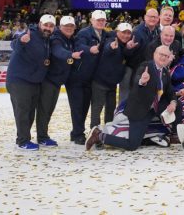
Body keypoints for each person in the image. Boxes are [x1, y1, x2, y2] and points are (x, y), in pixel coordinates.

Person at [86, 46, 178, 151]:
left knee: (178, 106)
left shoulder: (165, 72)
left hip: (152, 109)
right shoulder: (146, 66)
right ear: (154, 54)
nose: (163, 58)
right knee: (132, 145)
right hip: (139, 111)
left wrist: (173, 102)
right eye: (161, 54)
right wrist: (142, 81)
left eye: (166, 56)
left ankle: (171, 134)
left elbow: (170, 91)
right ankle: (99, 136)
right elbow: (137, 79)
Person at [7, 14, 55, 150]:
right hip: (19, 80)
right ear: (40, 24)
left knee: (30, 113)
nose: (48, 28)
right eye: (46, 25)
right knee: (22, 111)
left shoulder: (47, 39)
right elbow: (15, 44)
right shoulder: (30, 34)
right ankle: (22, 141)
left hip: (34, 81)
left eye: (51, 26)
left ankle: (25, 138)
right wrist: (21, 41)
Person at [66, 10, 110, 145]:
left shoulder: (106, 35)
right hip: (78, 76)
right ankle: (78, 134)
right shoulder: (84, 33)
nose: (101, 22)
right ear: (91, 21)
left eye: (103, 20)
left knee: (84, 106)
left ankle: (76, 133)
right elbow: (78, 46)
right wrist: (89, 49)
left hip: (91, 78)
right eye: (98, 20)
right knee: (78, 106)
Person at [37, 16, 82, 147]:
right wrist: (71, 55)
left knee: (49, 109)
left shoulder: (71, 39)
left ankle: (42, 136)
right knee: (45, 109)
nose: (68, 28)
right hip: (49, 80)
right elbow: (58, 51)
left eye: (71, 26)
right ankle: (42, 137)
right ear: (60, 27)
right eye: (66, 26)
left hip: (57, 81)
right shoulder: (56, 38)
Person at [90, 23, 135, 130]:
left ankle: (107, 133)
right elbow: (107, 48)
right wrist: (111, 47)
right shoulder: (111, 41)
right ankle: (94, 134)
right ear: (117, 32)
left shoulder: (125, 45)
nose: (126, 35)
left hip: (112, 85)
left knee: (110, 111)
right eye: (123, 32)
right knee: (97, 110)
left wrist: (128, 49)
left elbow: (125, 55)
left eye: (128, 33)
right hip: (100, 83)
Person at [121, 8, 160, 102]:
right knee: (126, 98)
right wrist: (128, 48)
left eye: (155, 17)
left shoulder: (158, 32)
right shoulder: (137, 31)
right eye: (150, 16)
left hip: (148, 69)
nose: (152, 19)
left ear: (158, 19)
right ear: (145, 17)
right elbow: (126, 54)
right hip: (133, 69)